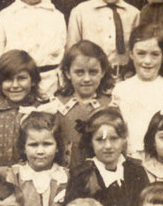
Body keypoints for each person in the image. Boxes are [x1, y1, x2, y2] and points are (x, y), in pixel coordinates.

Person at [111, 22, 163, 158]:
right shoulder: (122, 90)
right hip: (132, 160)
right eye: (141, 53)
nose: (147, 61)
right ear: (131, 54)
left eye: (155, 54)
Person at [63, 107, 149, 206]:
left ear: (124, 140)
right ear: (90, 142)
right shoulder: (81, 176)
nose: (108, 146)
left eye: (114, 139)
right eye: (100, 140)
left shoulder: (136, 171)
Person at [66, 0, 140, 82]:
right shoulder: (80, 12)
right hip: (90, 80)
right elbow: (71, 52)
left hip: (124, 80)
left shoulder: (134, 14)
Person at [42, 40, 112, 169]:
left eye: (93, 72)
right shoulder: (57, 105)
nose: (86, 79)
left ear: (102, 72)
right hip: (65, 173)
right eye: (79, 72)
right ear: (68, 73)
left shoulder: (109, 105)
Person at [0, 49, 44, 175]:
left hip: (35, 176)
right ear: (0, 83)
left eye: (21, 78)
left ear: (33, 81)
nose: (15, 85)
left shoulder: (42, 110)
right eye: (8, 80)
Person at [5, 111, 68, 206]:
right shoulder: (16, 175)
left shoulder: (64, 176)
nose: (40, 151)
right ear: (23, 147)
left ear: (57, 147)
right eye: (33, 145)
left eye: (47, 144)